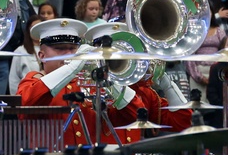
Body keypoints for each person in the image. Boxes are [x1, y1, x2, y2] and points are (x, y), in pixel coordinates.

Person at [17, 19, 145, 147]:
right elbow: (25, 106)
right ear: (42, 56)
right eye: (60, 49)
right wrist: (73, 67)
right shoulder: (33, 80)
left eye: (73, 49)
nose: (68, 54)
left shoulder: (91, 83)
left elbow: (135, 115)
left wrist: (108, 77)